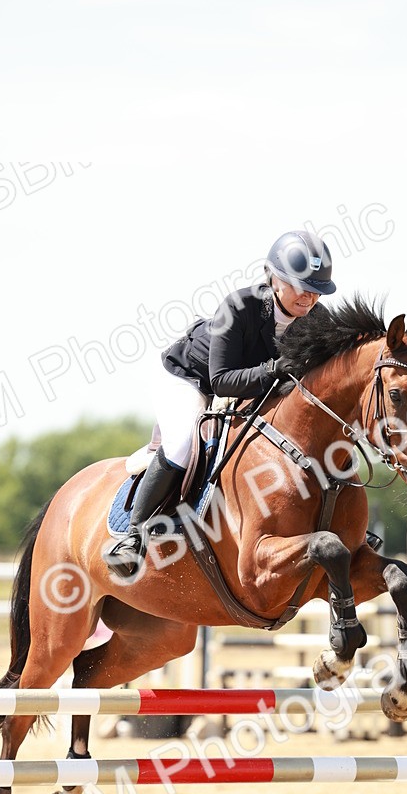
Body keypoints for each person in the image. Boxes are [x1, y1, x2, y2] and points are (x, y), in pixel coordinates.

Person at [104, 230, 336, 578]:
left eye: (316, 289)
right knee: (183, 443)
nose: (308, 297)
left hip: (252, 387)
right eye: (300, 285)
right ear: (274, 278)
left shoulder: (318, 320)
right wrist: (274, 369)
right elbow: (222, 380)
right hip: (188, 378)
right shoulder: (240, 307)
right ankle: (133, 536)